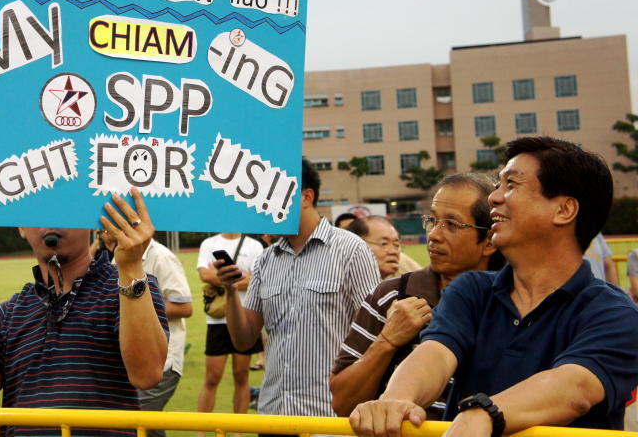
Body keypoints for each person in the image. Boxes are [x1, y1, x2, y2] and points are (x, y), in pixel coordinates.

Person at [350, 136, 638, 436]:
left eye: (511, 185)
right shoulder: (471, 290)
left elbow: (575, 387)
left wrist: (483, 413)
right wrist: (397, 399)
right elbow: (435, 353)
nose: (494, 198)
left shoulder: (614, 313)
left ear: (564, 210)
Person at [0, 188, 167, 437]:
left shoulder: (132, 288)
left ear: (89, 221)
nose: (50, 221)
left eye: (64, 210)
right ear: (21, 228)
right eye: (38, 210)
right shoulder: (5, 316)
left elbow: (147, 374)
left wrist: (131, 269)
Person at [217, 158, 380, 420]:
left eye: (269, 195)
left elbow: (375, 335)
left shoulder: (351, 250)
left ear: (306, 197)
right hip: (274, 414)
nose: (261, 206)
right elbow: (244, 339)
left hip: (329, 415)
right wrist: (231, 291)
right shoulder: (266, 259)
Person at [330, 173, 499, 418]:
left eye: (452, 224)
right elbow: (342, 403)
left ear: (489, 241)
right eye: (432, 220)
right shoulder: (392, 296)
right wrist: (387, 341)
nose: (433, 235)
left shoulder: (514, 304)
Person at [195, 232, 263, 419]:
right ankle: (201, 431)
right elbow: (204, 274)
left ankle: (238, 431)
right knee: (212, 377)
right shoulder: (209, 243)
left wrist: (222, 276)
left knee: (242, 376)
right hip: (217, 321)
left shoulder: (254, 246)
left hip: (246, 317)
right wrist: (241, 277)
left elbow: (257, 280)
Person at [136, 235, 193, 437]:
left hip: (163, 362)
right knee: (147, 426)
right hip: (135, 360)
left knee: (137, 420)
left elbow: (184, 306)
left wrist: (135, 307)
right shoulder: (121, 256)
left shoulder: (161, 257)